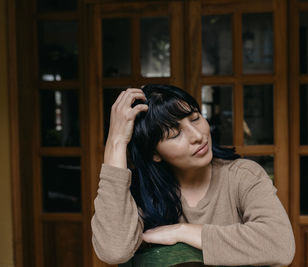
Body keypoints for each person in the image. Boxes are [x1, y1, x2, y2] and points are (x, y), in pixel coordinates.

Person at [91, 84, 295, 266]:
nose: (198, 136)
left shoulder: (242, 176)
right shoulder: (139, 194)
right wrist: (116, 141)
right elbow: (113, 251)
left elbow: (280, 244)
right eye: (175, 134)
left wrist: (181, 231)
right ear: (154, 153)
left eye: (195, 118)